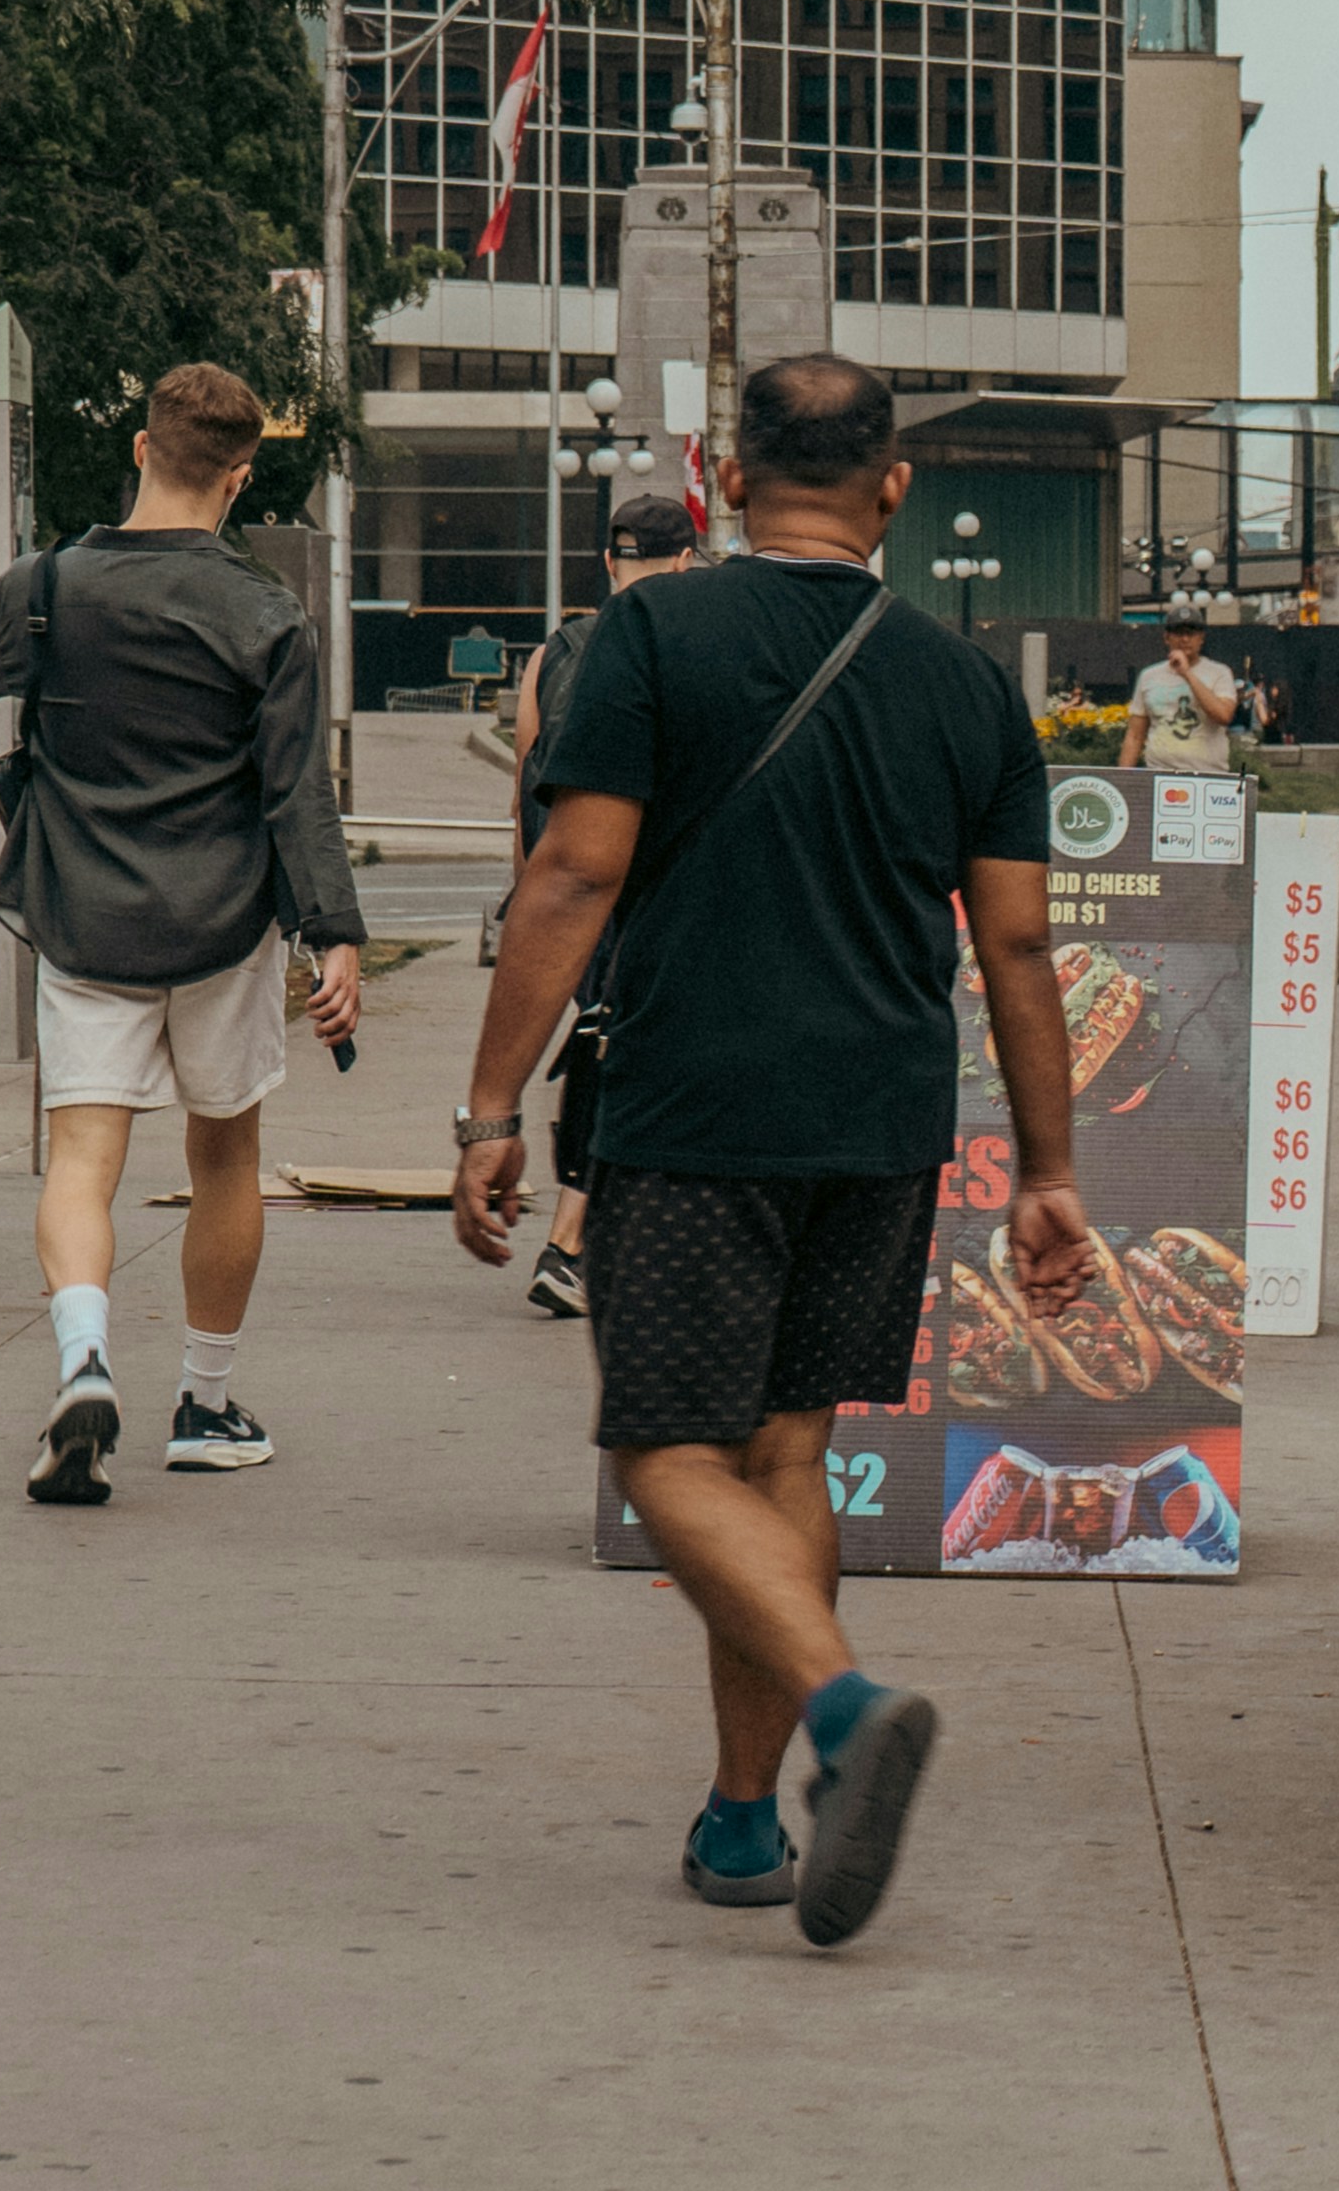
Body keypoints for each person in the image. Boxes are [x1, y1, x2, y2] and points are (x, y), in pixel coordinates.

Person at [446, 353, 1093, 1946]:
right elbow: (1017, 950)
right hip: (879, 1120)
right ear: (893, 489)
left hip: (695, 1109)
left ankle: (844, 1706)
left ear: (729, 481)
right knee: (784, 1453)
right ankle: (741, 1821)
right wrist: (1053, 1172)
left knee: (666, 1451)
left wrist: (488, 1106)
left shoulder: (655, 632)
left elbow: (570, 876)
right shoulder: (963, 683)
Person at [0, 361, 365, 1502]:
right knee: (224, 1149)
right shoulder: (266, 612)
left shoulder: (51, 583)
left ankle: (84, 1358)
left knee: (84, 1156)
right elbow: (297, 793)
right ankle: (207, 1401)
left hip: (83, 913)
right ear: (238, 477)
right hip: (226, 920)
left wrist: (49, 584)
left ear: (140, 449)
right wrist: (335, 934)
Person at [498, 492, 704, 1320]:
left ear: (611, 561)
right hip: (652, 883)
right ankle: (575, 1241)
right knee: (631, 1049)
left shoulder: (557, 652)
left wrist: (525, 908)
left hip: (569, 887)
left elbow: (523, 786)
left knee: (600, 1035)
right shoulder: (687, 642)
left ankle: (597, 1236)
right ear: (686, 560)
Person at [1123, 616, 1240, 772]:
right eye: (1179, 634)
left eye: (1191, 634)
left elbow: (1223, 715)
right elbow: (1135, 735)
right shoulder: (1149, 676)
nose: (1185, 639)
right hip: (1159, 771)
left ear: (1201, 638)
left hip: (1207, 773)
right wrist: (1122, 778)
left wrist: (1187, 674)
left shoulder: (1220, 672)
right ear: (1167, 638)